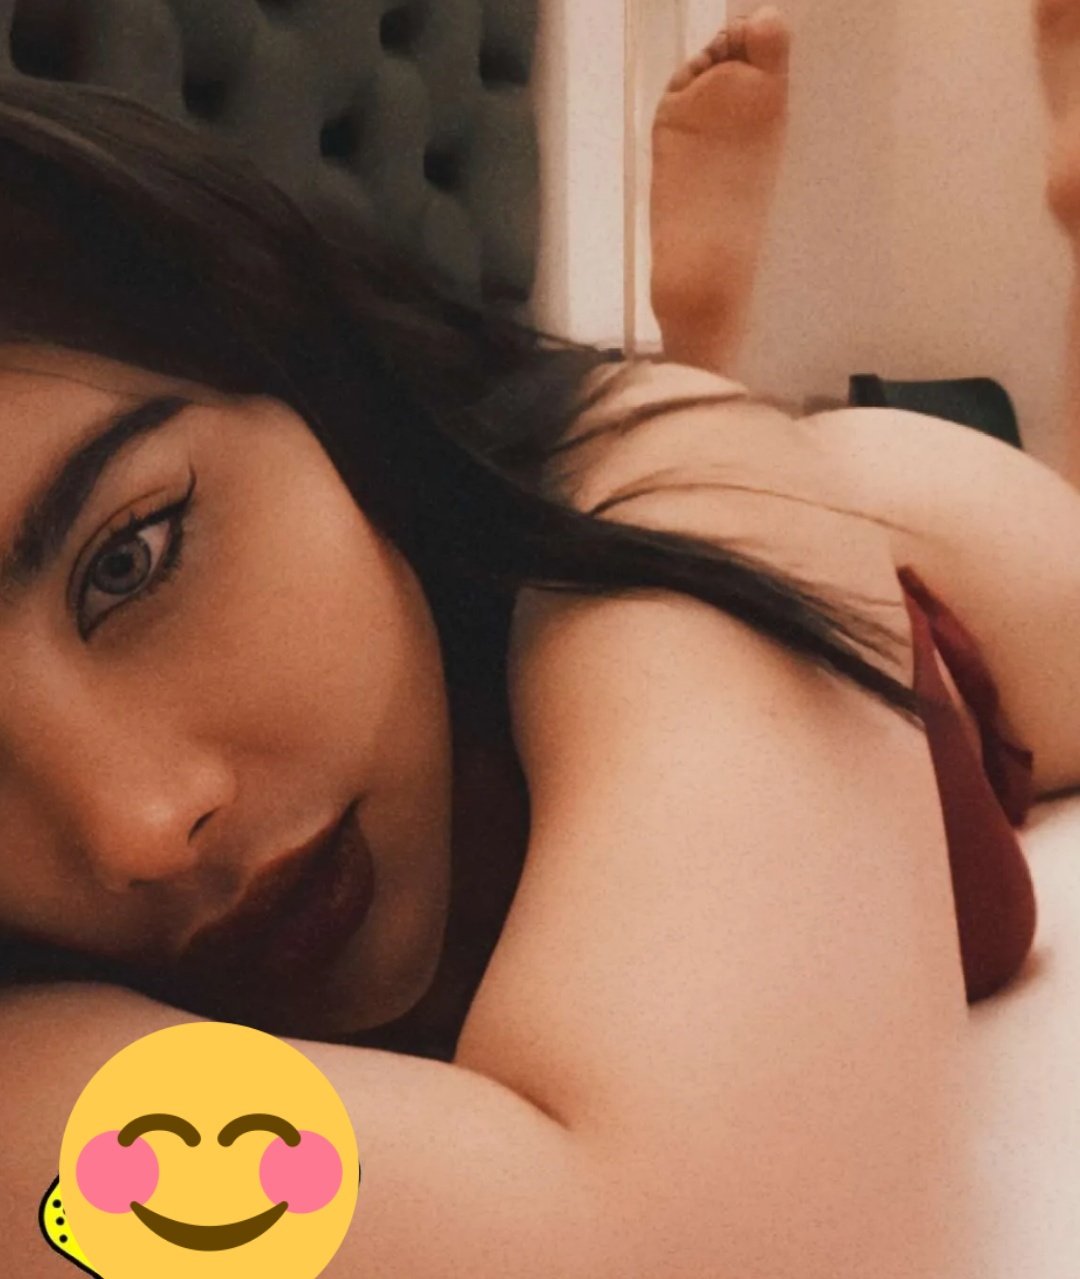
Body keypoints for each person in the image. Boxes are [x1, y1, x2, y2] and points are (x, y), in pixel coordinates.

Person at [2, 3, 1080, 1274]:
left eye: (130, 559)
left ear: (318, 386)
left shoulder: (653, 495)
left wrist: (696, 445)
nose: (139, 826)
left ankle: (705, 362)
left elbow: (738, 1247)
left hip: (885, 560)